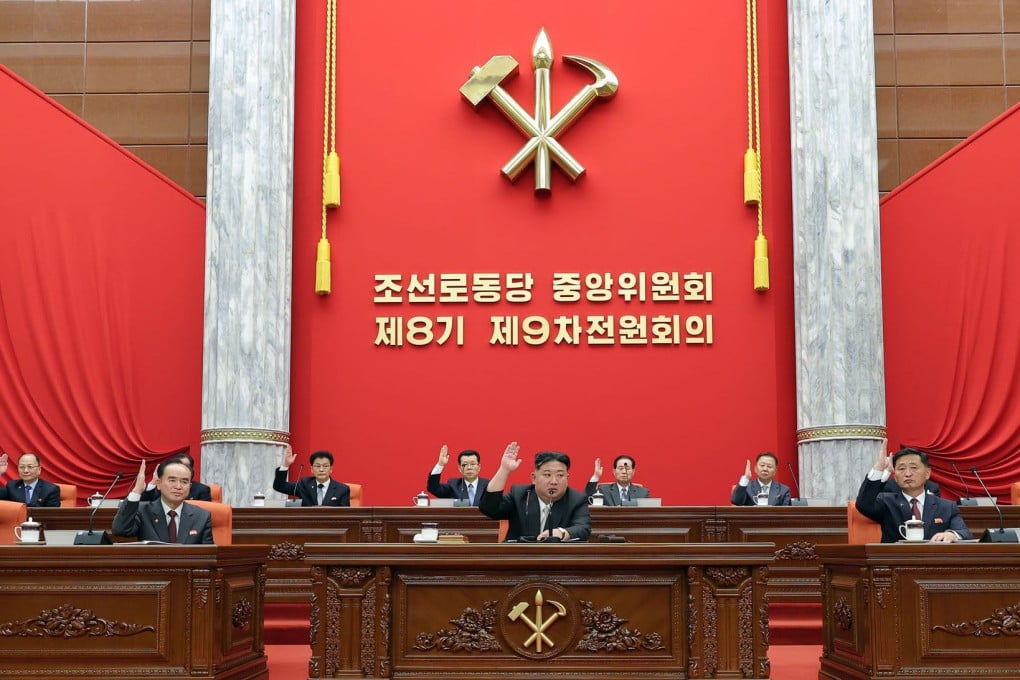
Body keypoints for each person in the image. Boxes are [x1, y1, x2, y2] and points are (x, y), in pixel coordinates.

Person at [855, 444, 972, 543]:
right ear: (895, 476)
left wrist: (952, 534)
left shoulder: (947, 507)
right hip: (895, 564)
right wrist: (879, 468)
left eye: (914, 468)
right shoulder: (886, 502)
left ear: (927, 473)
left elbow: (964, 532)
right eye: (901, 469)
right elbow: (863, 505)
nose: (908, 474)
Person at [478, 442, 591, 542]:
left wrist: (561, 533)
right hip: (519, 560)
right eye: (547, 475)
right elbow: (489, 508)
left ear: (567, 478)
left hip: (558, 561)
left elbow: (583, 528)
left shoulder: (576, 499)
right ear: (534, 478)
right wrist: (504, 470)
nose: (554, 481)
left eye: (560, 475)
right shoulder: (520, 495)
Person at [112, 459, 214, 543]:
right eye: (172, 480)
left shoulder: (202, 516)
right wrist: (136, 492)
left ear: (189, 486)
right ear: (159, 484)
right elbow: (121, 530)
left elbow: (208, 556)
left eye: (184, 482)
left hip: (188, 567)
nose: (178, 487)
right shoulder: (143, 511)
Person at [273, 445, 350, 506]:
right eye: (317, 466)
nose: (321, 469)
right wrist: (286, 465)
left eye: (325, 466)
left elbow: (346, 516)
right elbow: (279, 486)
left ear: (331, 469)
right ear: (312, 469)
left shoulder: (342, 489)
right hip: (308, 525)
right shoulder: (304, 484)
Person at [139, 452, 213, 502]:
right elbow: (146, 505)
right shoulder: (165, 485)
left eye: (185, 466)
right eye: (177, 465)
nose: (178, 487)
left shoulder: (202, 490)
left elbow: (202, 517)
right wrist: (153, 483)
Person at [584, 455, 651, 505]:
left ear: (633, 471)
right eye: (620, 468)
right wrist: (596, 476)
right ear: (614, 471)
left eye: (627, 468)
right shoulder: (603, 490)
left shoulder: (643, 493)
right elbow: (588, 500)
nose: (624, 471)